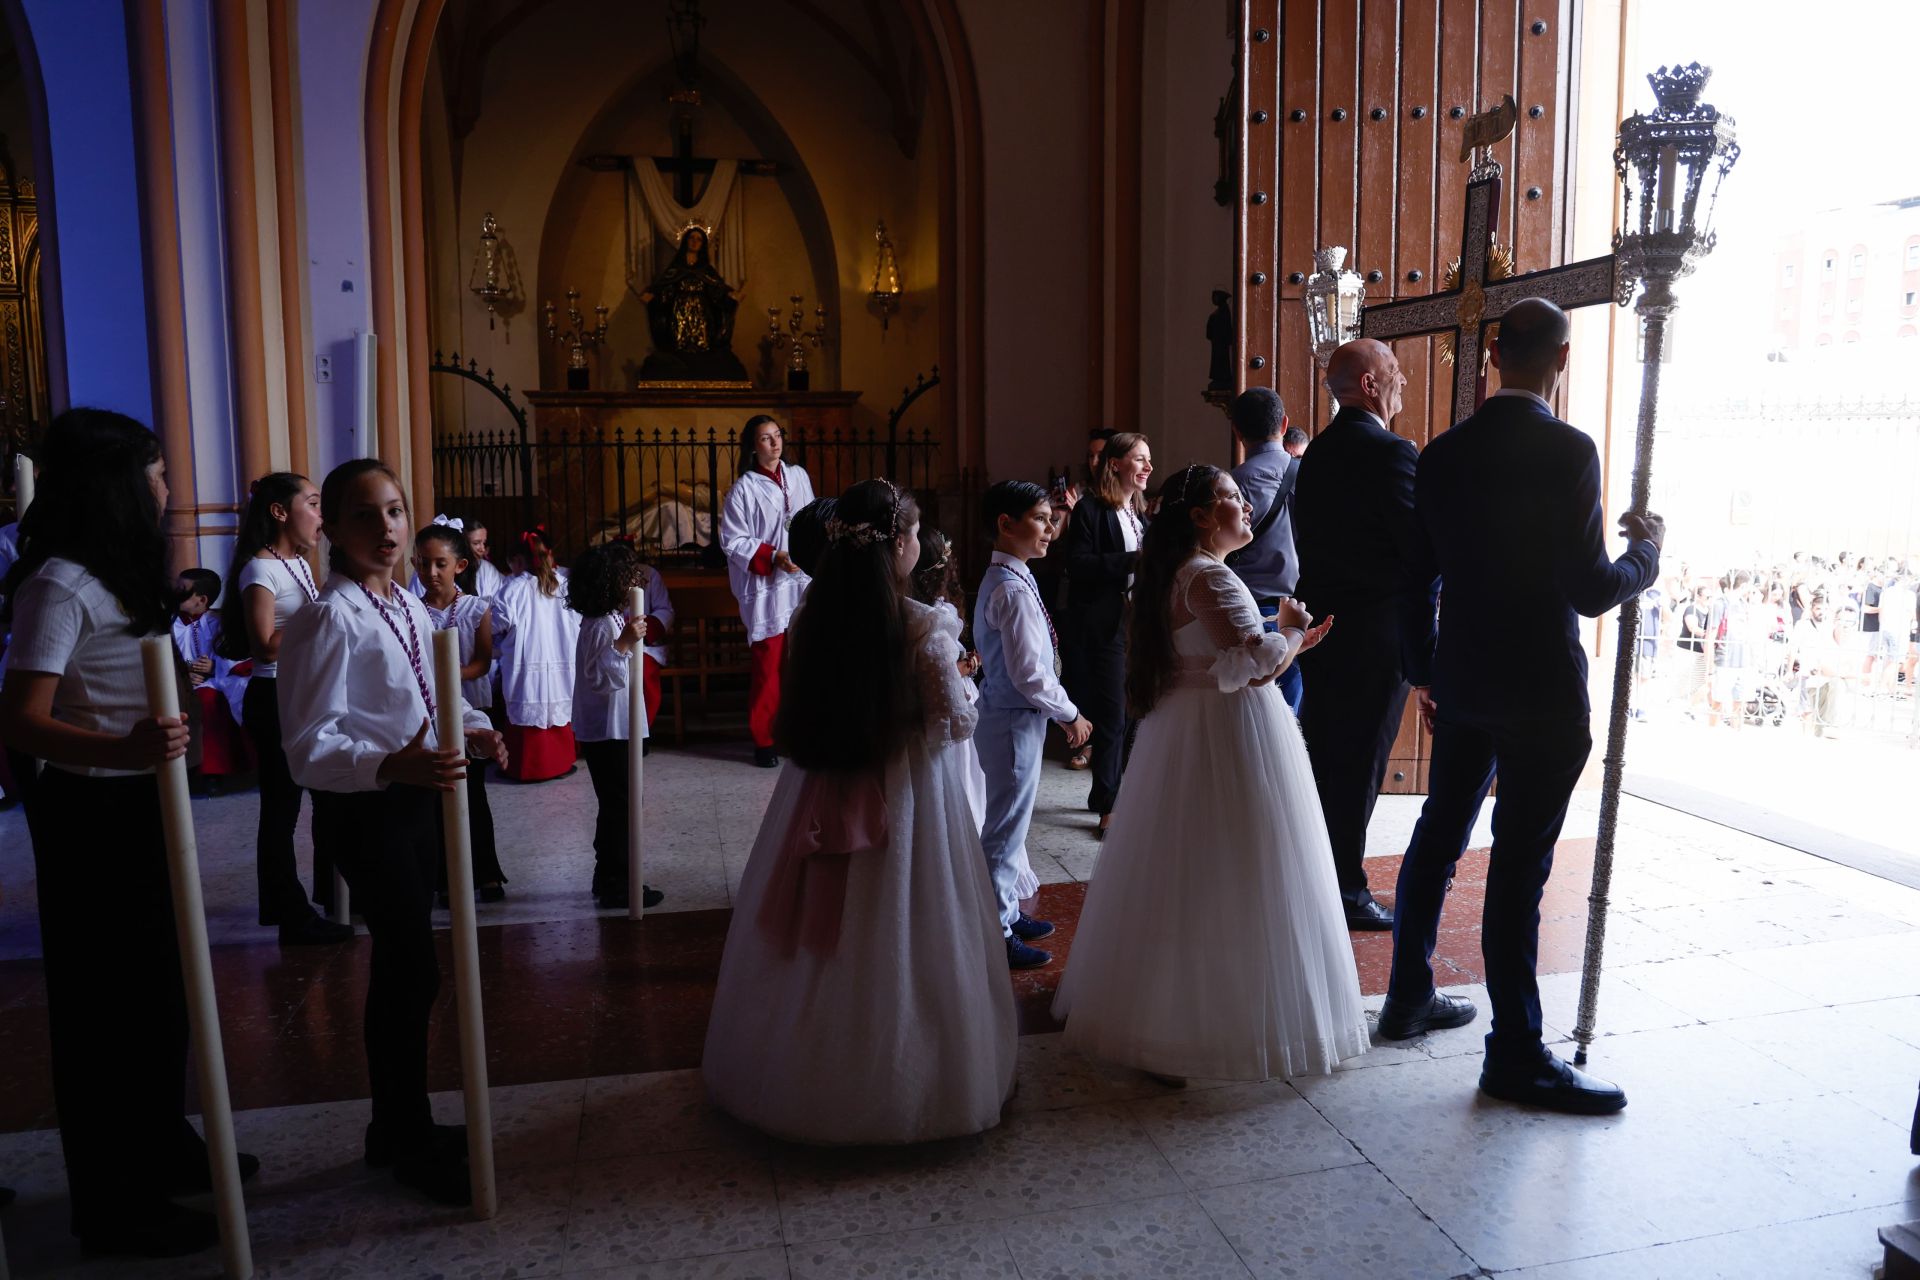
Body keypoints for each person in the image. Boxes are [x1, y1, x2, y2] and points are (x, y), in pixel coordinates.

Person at [1378, 298, 1662, 1115]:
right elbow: (1590, 588)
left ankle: (1406, 995)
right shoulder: (1568, 450)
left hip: (1464, 682)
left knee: (1439, 833)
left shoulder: (1442, 453)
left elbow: (1415, 581)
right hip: (1540, 691)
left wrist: (1425, 672)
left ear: (1495, 352)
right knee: (1518, 870)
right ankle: (1514, 1056)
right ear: (1561, 360)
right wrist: (1646, 553)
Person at [0, 409, 260, 1257]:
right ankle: (112, 1204)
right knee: (103, 1008)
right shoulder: (61, 584)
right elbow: (23, 720)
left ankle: (160, 1148)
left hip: (144, 801)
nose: (169, 490)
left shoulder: (116, 574)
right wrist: (125, 746)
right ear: (117, 485)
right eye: (156, 475)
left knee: (158, 991)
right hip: (94, 813)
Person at [702, 479, 1017, 1143]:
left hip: (821, 781)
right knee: (904, 923)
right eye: (915, 532)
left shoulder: (815, 611)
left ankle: (801, 1068)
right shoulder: (924, 627)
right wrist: (962, 678)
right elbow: (953, 724)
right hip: (906, 796)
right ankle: (911, 1080)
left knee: (823, 928)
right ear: (899, 544)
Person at [1053, 463, 1360, 1083]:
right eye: (1232, 498)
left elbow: (1217, 653)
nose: (1247, 506)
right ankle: (1237, 1019)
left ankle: (1167, 1014)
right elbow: (1256, 666)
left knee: (1186, 867)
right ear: (1199, 516)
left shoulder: (1176, 574)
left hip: (1184, 727)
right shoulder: (1210, 578)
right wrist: (1293, 634)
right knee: (1248, 865)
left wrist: (1287, 639)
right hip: (1229, 730)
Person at [278, 458, 507, 1205]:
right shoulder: (326, 618)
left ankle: (395, 1125)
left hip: (415, 799)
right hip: (367, 808)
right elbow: (308, 745)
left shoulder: (407, 606)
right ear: (335, 532)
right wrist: (388, 766)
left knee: (414, 970)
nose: (386, 528)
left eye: (396, 511)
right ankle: (404, 1134)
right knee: (410, 969)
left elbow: (428, 695)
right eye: (366, 515)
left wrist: (472, 726)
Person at [1290, 338, 1437, 931]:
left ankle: (1322, 878)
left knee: (1331, 760)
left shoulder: (1316, 454)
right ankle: (1347, 891)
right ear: (1370, 385)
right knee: (1360, 767)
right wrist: (1426, 657)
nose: (1403, 380)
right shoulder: (1392, 452)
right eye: (1395, 372)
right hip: (1377, 638)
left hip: (1324, 633)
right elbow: (1417, 557)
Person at [220, 472, 354, 945]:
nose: (320, 516)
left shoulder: (297, 562)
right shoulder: (260, 569)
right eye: (314, 504)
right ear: (280, 512)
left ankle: (331, 895)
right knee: (282, 809)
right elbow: (264, 646)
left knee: (327, 795)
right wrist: (319, 616)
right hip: (274, 697)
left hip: (304, 691)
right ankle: (288, 909)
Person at [975, 481, 1092, 968]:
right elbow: (1030, 675)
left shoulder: (1012, 576)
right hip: (1013, 719)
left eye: (1052, 517)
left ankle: (1004, 911)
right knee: (1004, 830)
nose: (1051, 528)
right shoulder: (1010, 588)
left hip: (1012, 717)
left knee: (1013, 826)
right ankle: (994, 929)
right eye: (1040, 519)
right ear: (1006, 524)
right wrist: (1071, 714)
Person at [567, 539, 667, 911]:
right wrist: (625, 642)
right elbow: (600, 678)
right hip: (607, 730)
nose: (633, 583)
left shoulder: (606, 618)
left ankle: (607, 874)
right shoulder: (598, 625)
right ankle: (619, 884)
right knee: (620, 806)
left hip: (616, 726)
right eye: (626, 577)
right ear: (608, 583)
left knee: (617, 804)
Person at [1061, 431, 1152, 838]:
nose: (1149, 467)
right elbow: (1077, 565)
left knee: (1136, 711)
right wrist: (1133, 561)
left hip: (1140, 623)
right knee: (1113, 713)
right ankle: (1108, 804)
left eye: (1149, 460)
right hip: (1106, 622)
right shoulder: (1091, 511)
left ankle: (1123, 796)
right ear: (1115, 464)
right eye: (1140, 459)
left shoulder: (1141, 516)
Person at [412, 521, 507, 903]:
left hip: (473, 708)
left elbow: (482, 662)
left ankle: (486, 873)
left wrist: (448, 676)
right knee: (439, 795)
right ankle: (445, 877)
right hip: (432, 713)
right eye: (422, 564)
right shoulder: (412, 611)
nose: (430, 574)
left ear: (460, 567)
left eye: (439, 564)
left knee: (475, 797)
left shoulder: (474, 608)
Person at [719, 415, 815, 767]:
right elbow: (733, 540)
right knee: (768, 668)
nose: (775, 444)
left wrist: (805, 553)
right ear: (752, 446)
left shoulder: (799, 476)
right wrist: (774, 556)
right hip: (769, 591)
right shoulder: (743, 489)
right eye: (765, 438)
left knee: (801, 663)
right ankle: (765, 739)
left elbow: (811, 520)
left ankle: (800, 733)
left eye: (777, 436)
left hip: (800, 582)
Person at [908, 529, 994, 840]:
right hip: (948, 698)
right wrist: (964, 665)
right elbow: (935, 669)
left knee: (966, 773)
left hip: (953, 690)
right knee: (956, 773)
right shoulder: (932, 615)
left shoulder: (930, 609)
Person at [1227, 388, 1308, 715]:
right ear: (1285, 424)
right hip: (1297, 612)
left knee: (1248, 712)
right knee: (1288, 719)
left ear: (1237, 431)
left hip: (1246, 610)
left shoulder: (1233, 484)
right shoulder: (1312, 475)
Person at [493, 525, 579, 781]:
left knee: (527, 710)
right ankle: (560, 763)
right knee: (557, 713)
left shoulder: (512, 590)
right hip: (561, 667)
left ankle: (527, 767)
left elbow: (495, 626)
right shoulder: (565, 586)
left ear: (518, 560)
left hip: (525, 668)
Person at [172, 567, 252, 789]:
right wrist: (184, 674)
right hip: (180, 681)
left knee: (211, 698)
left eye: (182, 590)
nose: (174, 593)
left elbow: (234, 655)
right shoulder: (169, 623)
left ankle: (213, 772)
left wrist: (214, 665)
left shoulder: (218, 622)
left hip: (214, 680)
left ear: (202, 600)